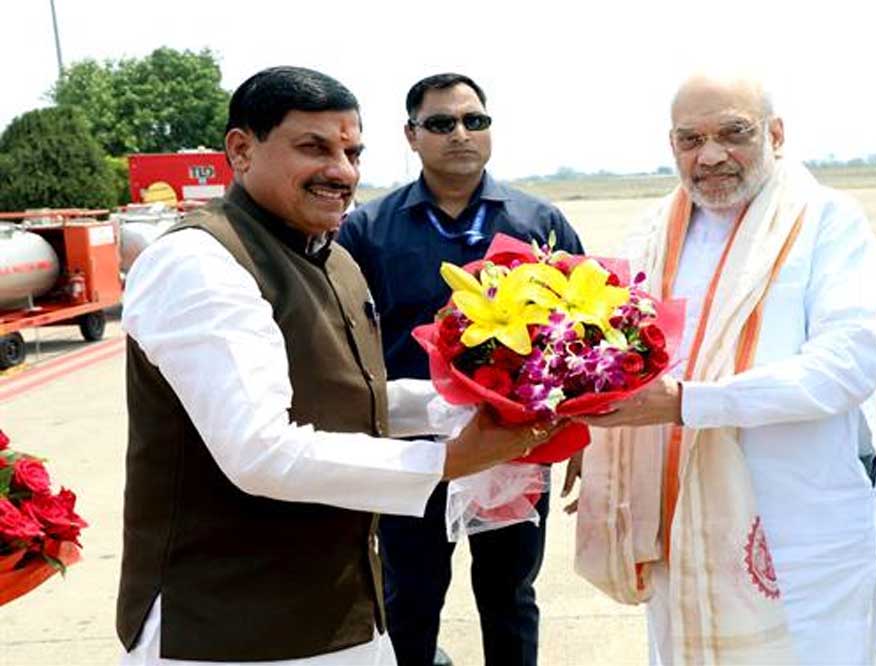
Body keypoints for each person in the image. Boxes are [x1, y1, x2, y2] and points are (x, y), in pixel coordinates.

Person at [115, 66, 558, 666]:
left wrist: (478, 403)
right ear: (241, 150)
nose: (343, 171)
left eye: (352, 152)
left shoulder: (332, 258)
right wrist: (448, 459)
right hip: (228, 629)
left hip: (344, 614)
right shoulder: (201, 262)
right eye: (313, 148)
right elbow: (261, 451)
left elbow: (350, 398)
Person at [570, 70, 876, 664]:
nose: (711, 155)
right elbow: (615, 357)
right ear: (672, 146)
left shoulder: (827, 221)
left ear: (776, 134)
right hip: (680, 525)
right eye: (691, 140)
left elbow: (848, 365)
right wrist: (590, 439)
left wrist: (689, 403)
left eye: (733, 133)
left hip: (800, 529)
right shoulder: (651, 233)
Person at [337, 72, 584, 666]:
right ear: (411, 135)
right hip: (412, 451)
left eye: (475, 121)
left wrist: (580, 433)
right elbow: (341, 337)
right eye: (442, 123)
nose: (461, 134)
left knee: (509, 593)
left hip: (514, 445)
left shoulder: (537, 222)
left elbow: (582, 335)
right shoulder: (368, 230)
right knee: (409, 596)